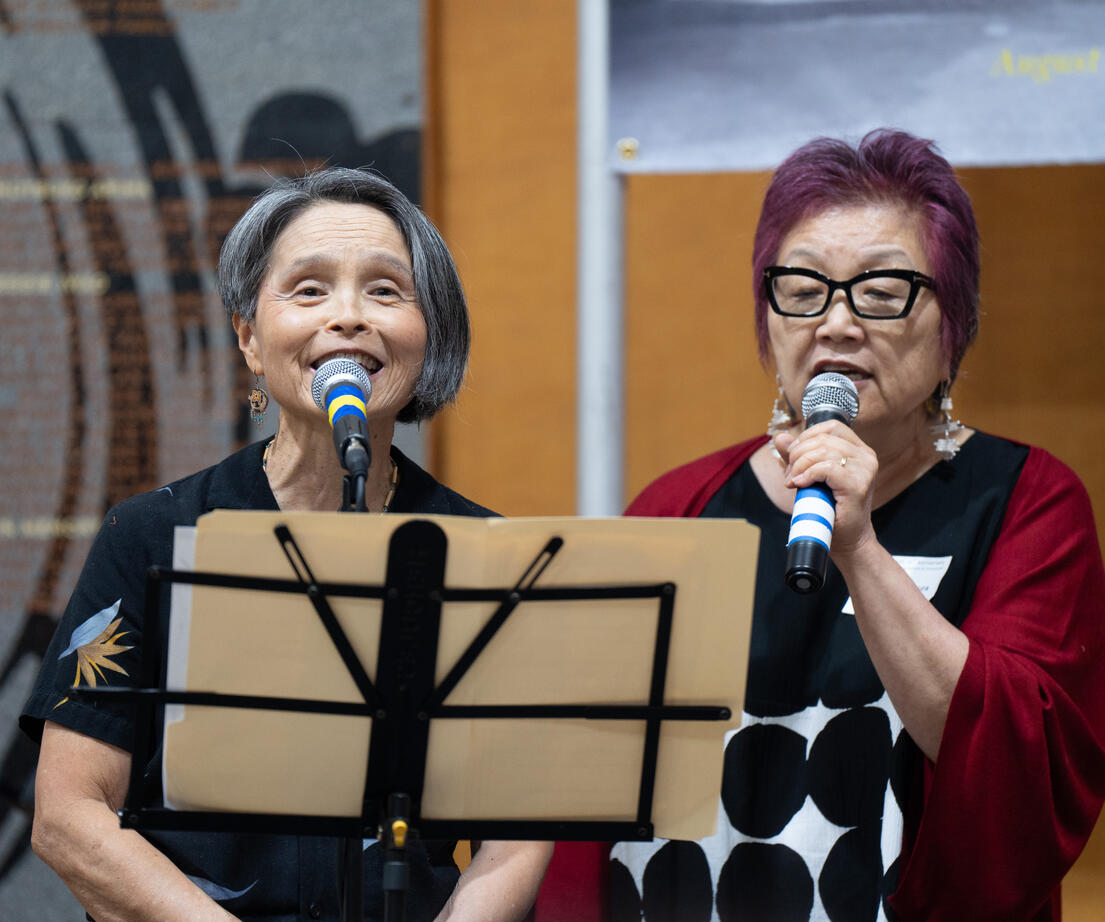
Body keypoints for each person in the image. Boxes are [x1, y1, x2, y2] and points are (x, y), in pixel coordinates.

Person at [594, 130, 1105, 921]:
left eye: (880, 289)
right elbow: (588, 767)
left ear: (951, 328)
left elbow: (1021, 777)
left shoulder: (1027, 503)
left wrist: (858, 547)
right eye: (800, 288)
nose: (834, 323)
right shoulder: (679, 504)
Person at [21, 168, 552, 921]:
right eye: (307, 290)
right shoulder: (149, 536)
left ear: (429, 335)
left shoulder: (492, 555)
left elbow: (516, 836)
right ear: (248, 337)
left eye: (386, 291)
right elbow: (69, 817)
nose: (347, 316)